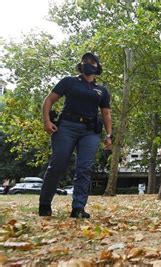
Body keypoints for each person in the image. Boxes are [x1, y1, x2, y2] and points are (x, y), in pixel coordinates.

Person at [39, 53, 112, 218]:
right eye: (85, 61)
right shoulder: (69, 82)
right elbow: (48, 100)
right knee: (58, 165)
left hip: (90, 131)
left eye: (92, 62)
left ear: (97, 66)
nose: (88, 64)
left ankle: (78, 208)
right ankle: (44, 204)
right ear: (81, 65)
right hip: (66, 127)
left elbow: (106, 114)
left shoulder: (102, 90)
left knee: (84, 168)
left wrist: (109, 135)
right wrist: (46, 122)